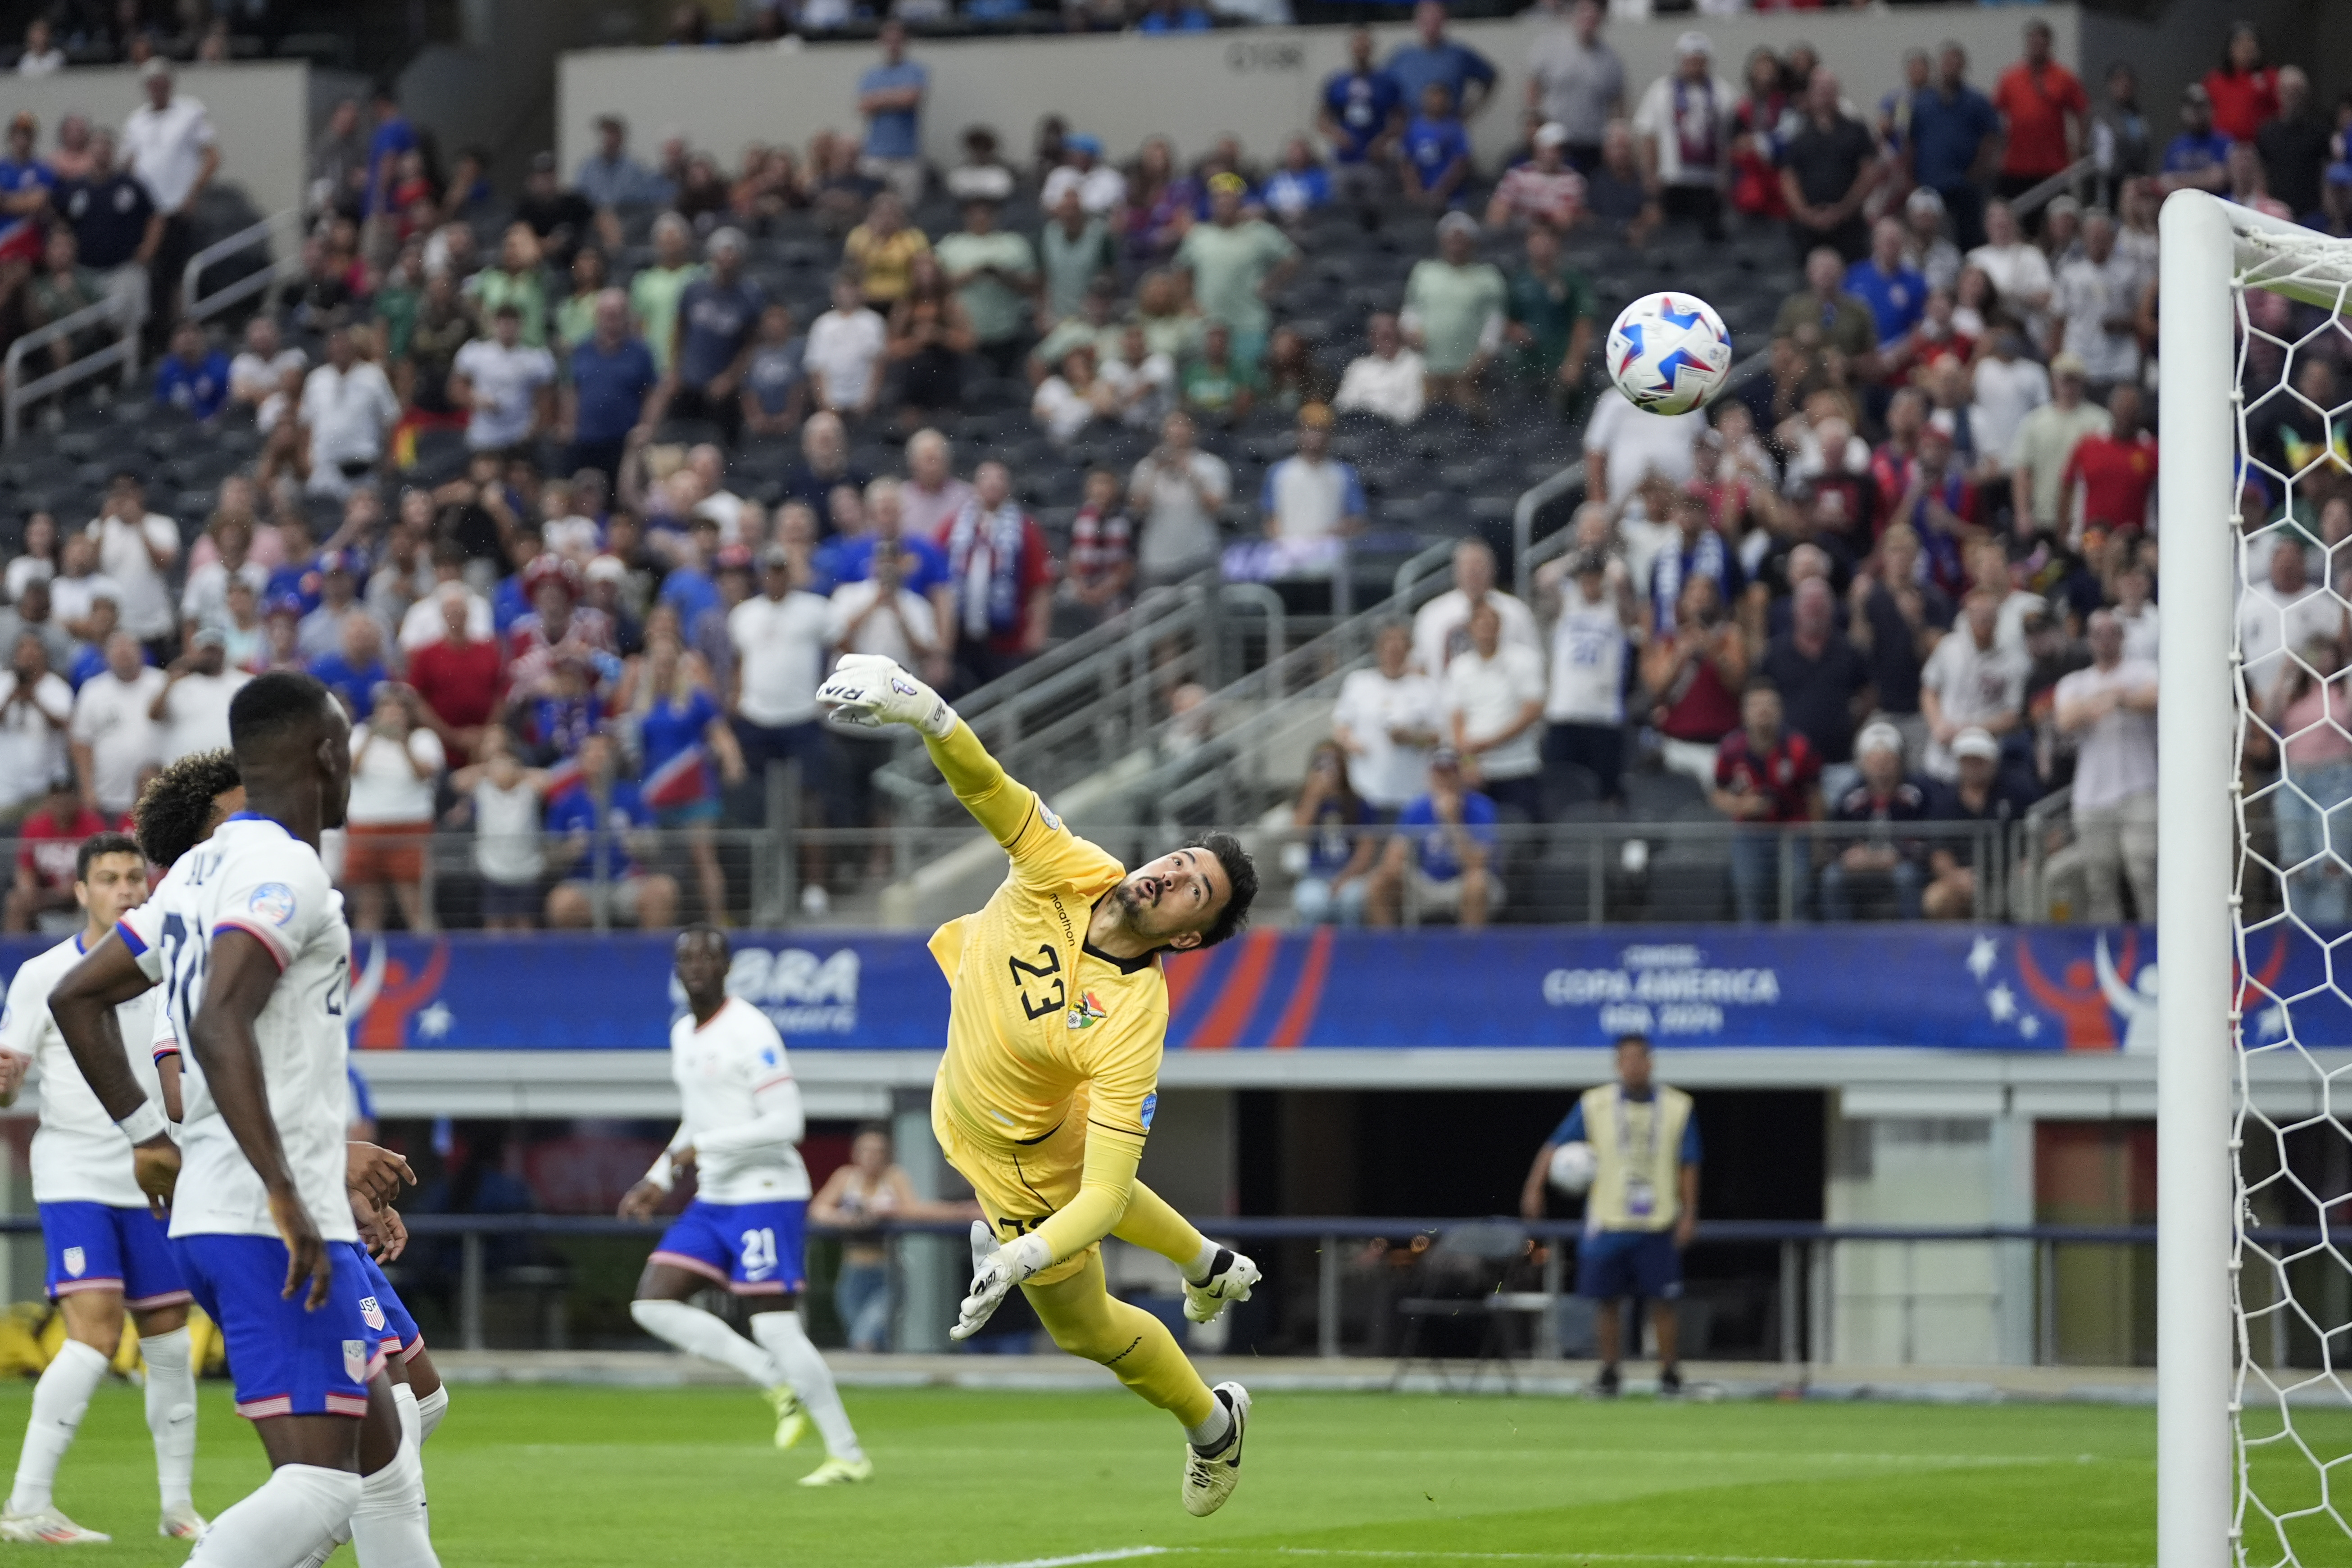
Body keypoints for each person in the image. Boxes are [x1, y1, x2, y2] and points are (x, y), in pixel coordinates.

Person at [812, 652, 1262, 1517]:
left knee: (1084, 1328)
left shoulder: (1134, 1020)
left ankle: (1214, 1425)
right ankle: (1206, 1264)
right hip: (980, 1100)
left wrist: (1021, 1252)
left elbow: (1101, 1195)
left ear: (1191, 936)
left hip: (1022, 1157)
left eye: (1191, 888)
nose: (1168, 873)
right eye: (1176, 858)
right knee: (1092, 1181)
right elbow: (988, 787)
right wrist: (922, 707)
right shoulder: (1074, 864)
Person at [50, 673, 440, 1566]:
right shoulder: (281, 866)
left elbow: (84, 994)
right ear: (326, 756)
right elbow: (223, 1016)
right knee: (323, 1484)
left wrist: (148, 1136)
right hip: (270, 1222)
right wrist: (288, 1191)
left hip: (231, 1212)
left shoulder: (196, 868)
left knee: (387, 1469)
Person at [0, 829, 204, 1544]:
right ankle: (26, 1504)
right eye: (109, 878)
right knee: (92, 1332)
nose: (125, 888)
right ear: (81, 891)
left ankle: (178, 1509)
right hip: (76, 1174)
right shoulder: (42, 975)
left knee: (171, 1344)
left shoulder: (170, 971)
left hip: (153, 1176)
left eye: (133, 877)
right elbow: (8, 1081)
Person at [618, 926, 868, 1481]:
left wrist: (699, 1148)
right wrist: (660, 1173)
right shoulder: (684, 1031)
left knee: (776, 1326)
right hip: (716, 1194)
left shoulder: (750, 1028)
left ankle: (846, 1454)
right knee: (652, 1303)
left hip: (766, 1193)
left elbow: (786, 1123)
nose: (697, 965)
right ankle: (773, 1380)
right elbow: (700, 1115)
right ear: (677, 969)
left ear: (728, 966)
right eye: (686, 956)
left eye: (708, 955)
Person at [1518, 1034, 1700, 1398]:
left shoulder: (1678, 1106)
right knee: (1607, 1301)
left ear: (1651, 1062)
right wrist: (1534, 1186)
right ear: (1618, 1065)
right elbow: (1555, 1144)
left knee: (1663, 1302)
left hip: (1657, 1220)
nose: (1634, 1065)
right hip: (1608, 1220)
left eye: (1640, 1058)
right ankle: (1610, 1373)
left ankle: (1669, 1374)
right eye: (1626, 1059)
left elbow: (1689, 1162)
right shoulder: (1595, 1103)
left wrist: (1689, 1213)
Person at [2054, 609, 2158, 924]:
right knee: (2099, 879)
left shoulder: (2144, 670)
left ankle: (2157, 941)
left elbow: (2156, 697)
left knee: (2144, 868)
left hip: (2139, 787)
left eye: (2111, 632)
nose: (2105, 640)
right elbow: (2066, 720)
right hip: (2092, 795)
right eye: (2097, 634)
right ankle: (2112, 950)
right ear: (2089, 640)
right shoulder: (2075, 682)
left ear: (2122, 636)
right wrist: (2111, 698)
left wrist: (2115, 701)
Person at [118, 62, 218, 341]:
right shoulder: (136, 120)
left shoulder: (189, 112)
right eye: (151, 83)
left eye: (162, 82)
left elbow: (211, 157)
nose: (157, 88)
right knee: (148, 276)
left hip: (177, 209)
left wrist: (193, 193)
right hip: (146, 214)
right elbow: (128, 164)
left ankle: (178, 332)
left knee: (176, 275)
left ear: (170, 84)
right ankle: (153, 335)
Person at [1712, 680, 1821, 923]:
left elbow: (1814, 795)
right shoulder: (1731, 748)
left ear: (1781, 711)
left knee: (1798, 894)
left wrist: (1817, 839)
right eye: (1756, 706)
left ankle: (1797, 952)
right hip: (1750, 832)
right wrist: (1741, 806)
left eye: (1770, 705)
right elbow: (1717, 793)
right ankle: (1751, 956)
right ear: (1744, 713)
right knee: (1748, 896)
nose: (1763, 711)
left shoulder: (1799, 747)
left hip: (1793, 831)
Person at [344, 685, 443, 936]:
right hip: (366, 828)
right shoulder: (359, 735)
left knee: (415, 906)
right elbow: (350, 769)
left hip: (409, 829)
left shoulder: (424, 739)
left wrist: (403, 743)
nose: (392, 713)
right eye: (387, 707)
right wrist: (370, 738)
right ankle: (363, 968)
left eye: (399, 708)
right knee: (368, 907)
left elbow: (425, 774)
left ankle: (433, 964)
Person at [1173, 174, 1298, 374]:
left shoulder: (1259, 232)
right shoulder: (1198, 235)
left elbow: (1292, 258)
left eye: (1229, 199)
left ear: (1239, 202)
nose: (1223, 204)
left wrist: (1271, 284)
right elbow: (1181, 270)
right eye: (1218, 200)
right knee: (1209, 380)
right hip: (1208, 326)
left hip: (1248, 324)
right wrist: (1188, 302)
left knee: (1247, 379)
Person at [1366, 747, 1498, 928]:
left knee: (1477, 883)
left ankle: (1470, 952)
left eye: (1450, 773)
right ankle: (1388, 949)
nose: (1444, 779)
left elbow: (1476, 865)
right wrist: (1399, 864)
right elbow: (1392, 859)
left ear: (1460, 775)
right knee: (1379, 881)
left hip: (1462, 883)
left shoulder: (1481, 807)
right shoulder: (1416, 808)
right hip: (1425, 881)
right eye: (1439, 773)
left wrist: (1452, 821)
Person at [1820, 721, 1933, 921]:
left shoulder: (1917, 797)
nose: (1881, 768)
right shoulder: (1850, 799)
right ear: (1863, 764)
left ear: (1900, 762)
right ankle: (1840, 941)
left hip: (1900, 865)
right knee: (1832, 877)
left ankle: (1912, 936)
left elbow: (1927, 841)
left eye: (1888, 760)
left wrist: (1898, 854)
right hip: (1860, 868)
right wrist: (1848, 855)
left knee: (1906, 876)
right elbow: (1834, 840)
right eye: (1875, 761)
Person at [1445, 600, 1546, 822]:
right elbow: (1457, 720)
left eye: (1491, 623)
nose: (1485, 629)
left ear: (1500, 627)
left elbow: (1532, 711)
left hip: (1517, 767)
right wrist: (1469, 761)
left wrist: (1488, 743)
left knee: (1520, 834)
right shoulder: (1459, 669)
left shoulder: (1524, 660)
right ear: (1470, 628)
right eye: (1480, 624)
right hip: (1476, 772)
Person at [1631, 31, 1736, 242]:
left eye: (1698, 61)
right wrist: (1650, 174)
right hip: (1672, 179)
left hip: (1710, 181)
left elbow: (1731, 141)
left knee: (1710, 240)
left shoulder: (1724, 93)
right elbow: (1649, 134)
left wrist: (1728, 176)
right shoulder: (1661, 90)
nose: (1693, 66)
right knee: (1671, 237)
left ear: (1707, 62)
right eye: (1688, 61)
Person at [1332, 621, 1441, 820]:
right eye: (1388, 646)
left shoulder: (1426, 688)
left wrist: (1412, 738)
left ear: (1408, 651)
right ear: (1378, 650)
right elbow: (1341, 727)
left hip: (1411, 788)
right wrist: (1351, 744)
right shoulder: (1358, 683)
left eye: (1399, 647)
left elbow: (1439, 736)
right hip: (1365, 786)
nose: (1393, 652)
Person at [1781, 69, 1881, 265]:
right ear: (1810, 94)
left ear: (1837, 93)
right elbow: (1788, 179)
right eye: (1819, 90)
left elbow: (1869, 173)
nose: (1824, 95)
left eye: (1828, 90)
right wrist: (1806, 214)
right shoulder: (1797, 134)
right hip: (1807, 230)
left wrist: (1843, 210)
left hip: (1849, 227)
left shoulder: (1856, 130)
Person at [1129, 412, 1230, 587]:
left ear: (1194, 430)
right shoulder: (1147, 466)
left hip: (1199, 555)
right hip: (1157, 559)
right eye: (1173, 425)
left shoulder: (1211, 465)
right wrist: (1154, 472)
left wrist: (1191, 474)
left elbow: (1216, 508)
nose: (1178, 431)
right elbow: (1137, 509)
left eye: (1183, 425)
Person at [1992, 20, 2087, 207]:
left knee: (2056, 218)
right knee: (2014, 215)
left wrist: (2080, 147)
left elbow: (2082, 113)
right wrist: (1996, 152)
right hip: (2016, 166)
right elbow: (1994, 115)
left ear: (2049, 44)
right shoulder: (2010, 78)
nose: (2037, 46)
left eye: (2041, 41)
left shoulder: (2064, 78)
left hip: (2053, 166)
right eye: (2033, 41)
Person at [1527, 0, 1623, 172]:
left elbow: (1618, 106)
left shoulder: (1611, 60)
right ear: (1574, 15)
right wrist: (1535, 125)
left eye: (1594, 16)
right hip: (1557, 142)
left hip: (1593, 144)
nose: (1589, 19)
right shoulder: (1548, 47)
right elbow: (1533, 88)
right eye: (1584, 13)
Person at [451, 303, 556, 455]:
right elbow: (455, 390)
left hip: (519, 435)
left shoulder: (536, 358)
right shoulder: (475, 352)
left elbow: (546, 400)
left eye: (512, 323)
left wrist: (535, 429)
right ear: (493, 324)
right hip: (484, 435)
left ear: (521, 325)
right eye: (502, 323)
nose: (507, 328)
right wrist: (475, 398)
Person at [1290, 740, 1377, 926]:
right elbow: (1298, 834)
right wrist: (1314, 797)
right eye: (1321, 762)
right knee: (1311, 903)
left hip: (1350, 875)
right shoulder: (1305, 800)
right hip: (1315, 875)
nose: (1328, 769)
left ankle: (1350, 954)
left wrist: (1342, 879)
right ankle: (1308, 954)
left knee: (1352, 902)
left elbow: (1365, 853)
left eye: (1333, 762)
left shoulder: (1360, 803)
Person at [1318, 27, 1406, 210]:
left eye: (1365, 46)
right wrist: (1337, 135)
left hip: (1375, 162)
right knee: (1342, 212)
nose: (1361, 51)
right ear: (1351, 49)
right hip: (1344, 161)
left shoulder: (1387, 83)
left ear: (1371, 49)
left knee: (1377, 210)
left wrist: (1384, 141)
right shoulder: (1337, 82)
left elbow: (1401, 119)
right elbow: (1322, 119)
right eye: (1358, 46)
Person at [1384, 0, 1495, 124]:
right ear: (1418, 21)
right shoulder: (1402, 56)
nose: (1431, 24)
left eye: (1435, 19)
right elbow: (1382, 88)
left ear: (1444, 20)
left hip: (1448, 131)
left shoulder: (1459, 55)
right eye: (1426, 19)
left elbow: (1491, 78)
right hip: (1411, 132)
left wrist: (1470, 111)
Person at [856, 21, 928, 207]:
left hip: (906, 156)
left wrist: (879, 99)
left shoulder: (915, 71)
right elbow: (864, 106)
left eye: (897, 41)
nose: (893, 45)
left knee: (908, 207)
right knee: (871, 207)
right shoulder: (871, 75)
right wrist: (896, 96)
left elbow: (911, 99)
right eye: (889, 41)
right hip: (875, 155)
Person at [1332, 312, 1426, 427]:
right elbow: (1343, 405)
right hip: (1362, 429)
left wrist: (1380, 415)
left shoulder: (1415, 365)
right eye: (1380, 336)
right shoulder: (1358, 367)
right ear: (1371, 337)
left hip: (1397, 431)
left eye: (1389, 336)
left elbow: (1414, 408)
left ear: (1399, 335)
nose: (1386, 341)